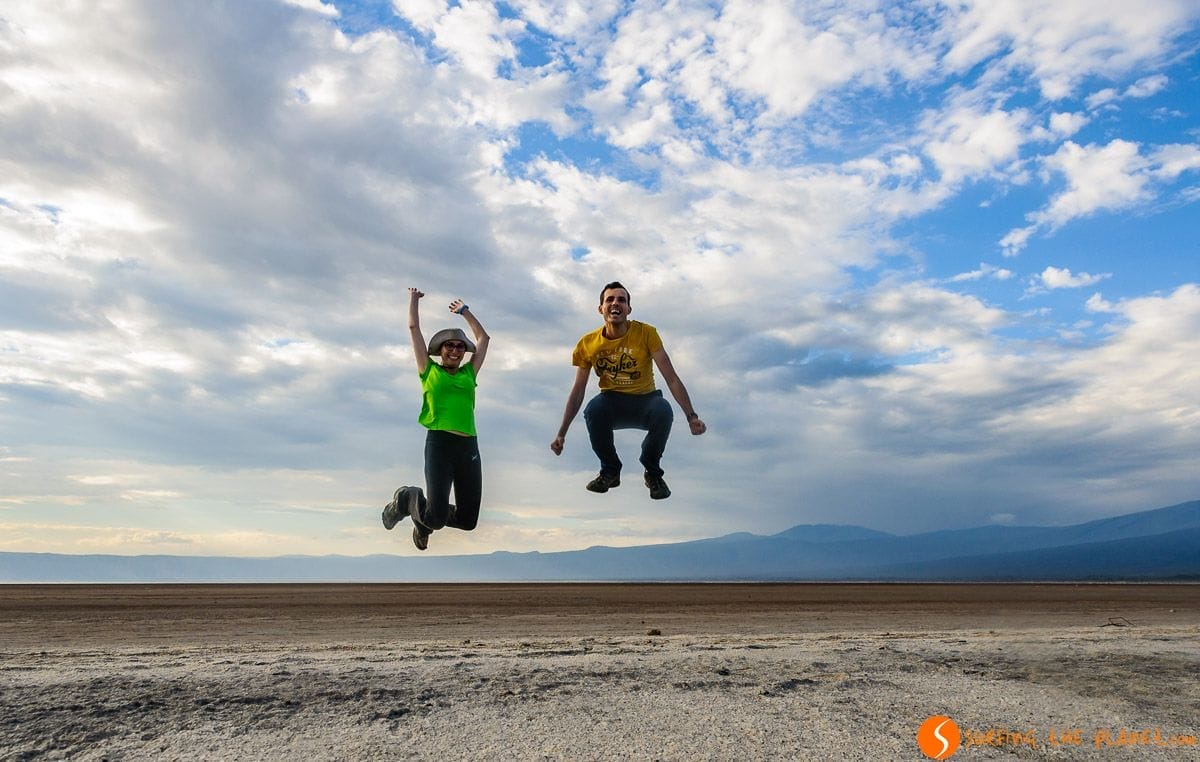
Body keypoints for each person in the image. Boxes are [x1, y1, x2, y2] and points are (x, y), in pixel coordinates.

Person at [550, 281, 706, 499]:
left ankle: (653, 473)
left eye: (621, 300)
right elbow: (577, 391)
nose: (616, 303)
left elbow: (671, 378)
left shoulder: (646, 333)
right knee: (594, 409)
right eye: (610, 300)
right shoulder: (587, 343)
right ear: (601, 309)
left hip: (645, 401)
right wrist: (561, 433)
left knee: (663, 409)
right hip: (612, 402)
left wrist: (692, 416)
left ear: (629, 309)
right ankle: (610, 470)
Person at [382, 288, 490, 550]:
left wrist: (465, 312)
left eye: (459, 346)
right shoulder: (428, 371)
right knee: (437, 518)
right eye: (449, 345)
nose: (454, 350)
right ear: (440, 350)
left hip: (468, 448)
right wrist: (413, 300)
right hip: (439, 445)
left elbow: (484, 339)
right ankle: (407, 498)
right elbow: (413, 328)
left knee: (468, 521)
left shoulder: (468, 374)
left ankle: (421, 520)